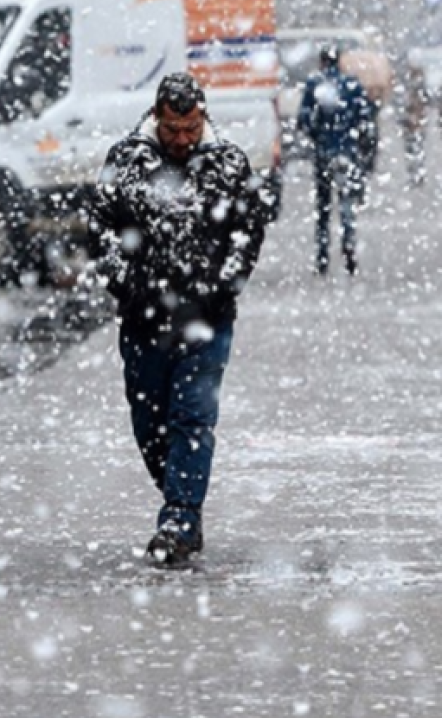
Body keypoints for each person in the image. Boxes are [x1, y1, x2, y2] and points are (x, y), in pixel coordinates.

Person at [88, 72, 271, 566]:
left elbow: (247, 233)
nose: (183, 140)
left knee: (192, 417)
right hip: (145, 319)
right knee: (150, 424)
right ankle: (180, 495)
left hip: (206, 320)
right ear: (157, 119)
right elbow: (100, 227)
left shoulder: (229, 164)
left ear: (203, 118)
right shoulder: (125, 161)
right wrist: (125, 283)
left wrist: (222, 286)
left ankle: (180, 519)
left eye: (190, 129)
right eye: (173, 130)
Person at [297, 45, 374, 277]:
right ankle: (349, 250)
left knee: (323, 208)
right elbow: (365, 119)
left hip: (323, 153)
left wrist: (317, 135)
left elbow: (304, 120)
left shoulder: (315, 85)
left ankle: (322, 257)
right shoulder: (352, 86)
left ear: (322, 62)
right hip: (347, 152)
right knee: (346, 205)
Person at [398, 62, 430, 188]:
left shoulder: (416, 90)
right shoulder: (410, 89)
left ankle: (416, 174)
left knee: (415, 149)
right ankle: (415, 173)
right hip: (412, 125)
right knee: (413, 149)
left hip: (416, 125)